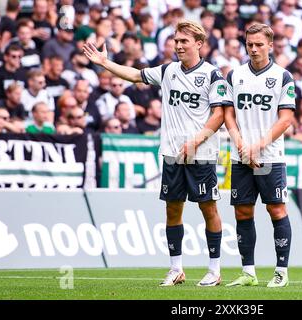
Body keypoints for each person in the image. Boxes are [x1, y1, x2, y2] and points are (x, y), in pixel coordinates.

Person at [83, 20, 226, 287]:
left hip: (202, 154)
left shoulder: (212, 74)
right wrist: (105, 63)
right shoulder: (168, 70)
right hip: (172, 154)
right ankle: (176, 269)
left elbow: (220, 114)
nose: (179, 45)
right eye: (176, 40)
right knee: (173, 210)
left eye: (184, 41)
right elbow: (135, 75)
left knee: (208, 208)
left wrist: (198, 139)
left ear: (199, 43)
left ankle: (214, 270)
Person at [223, 24, 295, 288]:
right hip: (241, 155)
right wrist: (240, 142)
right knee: (242, 212)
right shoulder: (235, 75)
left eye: (258, 44)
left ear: (270, 46)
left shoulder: (282, 77)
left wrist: (258, 145)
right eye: (249, 44)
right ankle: (248, 272)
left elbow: (285, 119)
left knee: (276, 210)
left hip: (271, 157)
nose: (253, 49)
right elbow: (228, 113)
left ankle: (281, 271)